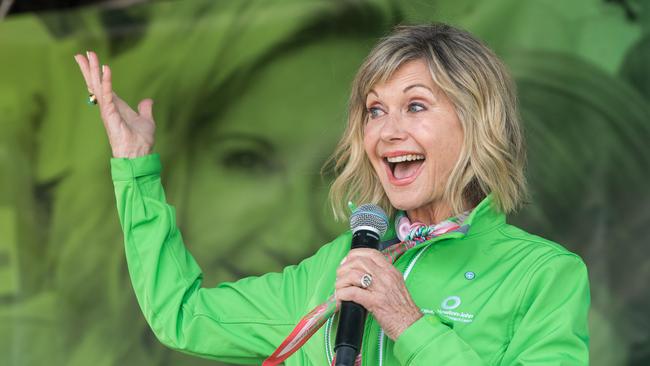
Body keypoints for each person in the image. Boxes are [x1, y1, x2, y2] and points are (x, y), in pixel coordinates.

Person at [74, 23, 590, 365]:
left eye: (415, 106)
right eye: (374, 109)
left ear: (480, 123)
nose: (386, 131)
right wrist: (135, 167)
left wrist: (408, 324)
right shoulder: (339, 267)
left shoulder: (543, 276)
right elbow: (182, 318)